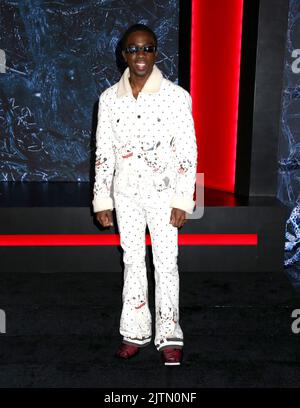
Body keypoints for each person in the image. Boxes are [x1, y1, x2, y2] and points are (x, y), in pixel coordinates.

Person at [92, 23, 197, 366]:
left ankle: (169, 335)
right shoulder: (109, 99)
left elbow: (187, 152)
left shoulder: (176, 97)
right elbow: (103, 151)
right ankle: (134, 331)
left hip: (165, 198)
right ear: (123, 54)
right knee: (133, 262)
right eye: (134, 49)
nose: (141, 55)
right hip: (126, 196)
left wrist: (183, 199)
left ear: (156, 52)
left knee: (166, 264)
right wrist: (103, 199)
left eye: (148, 48)